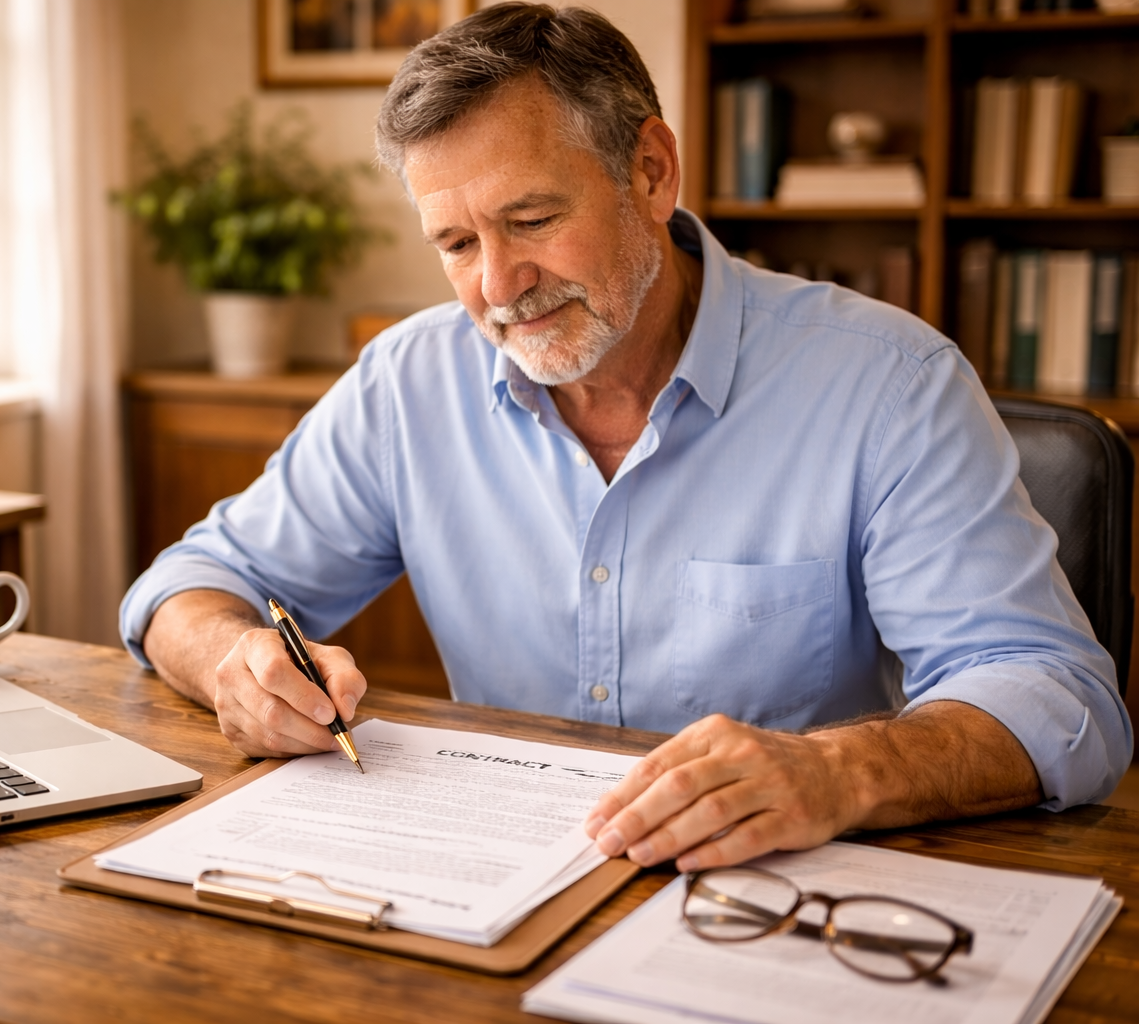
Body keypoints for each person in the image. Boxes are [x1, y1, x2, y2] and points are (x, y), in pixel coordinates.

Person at [119, 3, 1131, 873]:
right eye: (456, 243)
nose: (497, 286)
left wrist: (836, 769)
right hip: (494, 889)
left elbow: (1058, 696)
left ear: (651, 171)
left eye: (531, 219)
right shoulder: (408, 380)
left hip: (773, 897)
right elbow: (191, 580)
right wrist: (233, 662)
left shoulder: (887, 383)